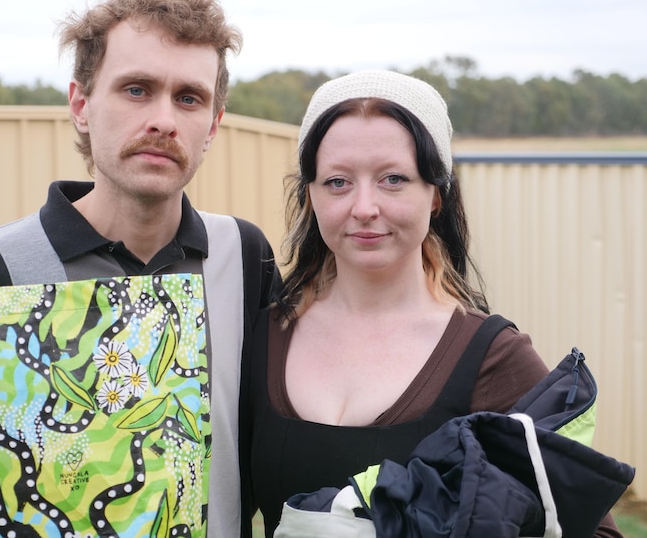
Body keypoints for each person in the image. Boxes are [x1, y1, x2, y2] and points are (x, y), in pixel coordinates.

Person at [0, 0, 279, 537]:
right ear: (81, 105)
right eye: (136, 89)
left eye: (189, 98)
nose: (164, 120)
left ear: (214, 126)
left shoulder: (245, 257)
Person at [241, 70, 622, 537]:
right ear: (310, 195)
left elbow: (594, 529)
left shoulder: (490, 355)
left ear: (436, 194)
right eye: (338, 182)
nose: (364, 207)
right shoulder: (263, 337)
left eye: (393, 179)